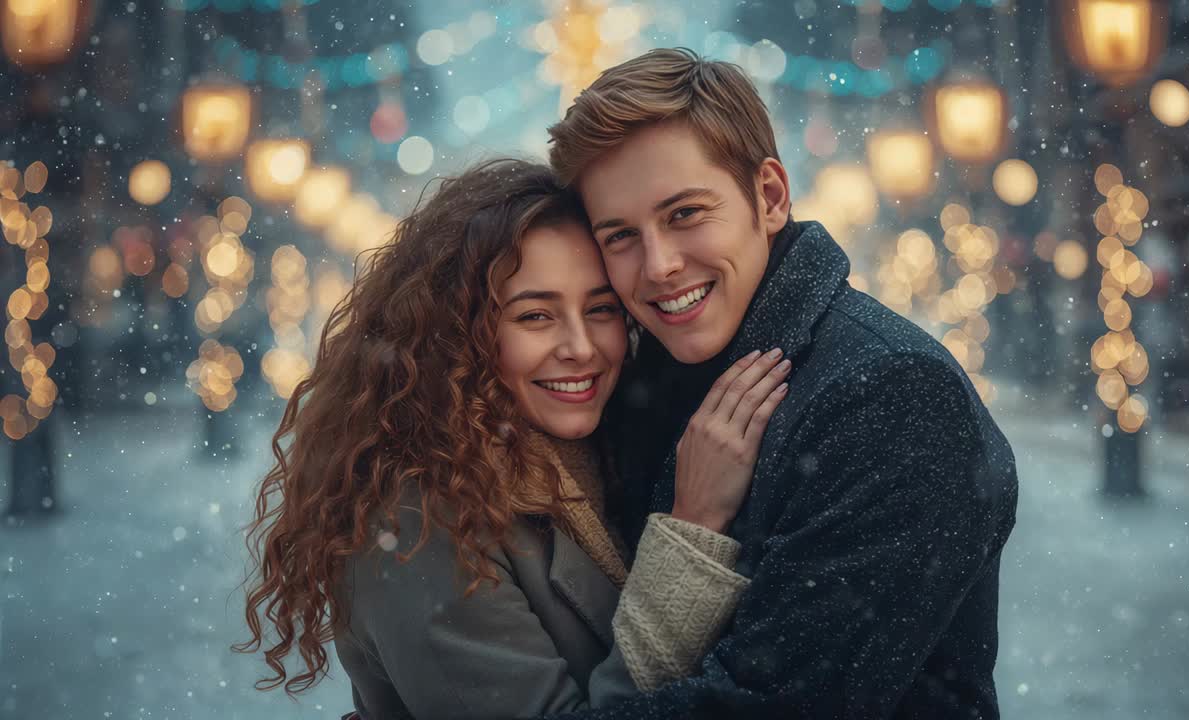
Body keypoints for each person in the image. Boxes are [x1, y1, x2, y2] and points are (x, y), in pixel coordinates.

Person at [541, 48, 1020, 718]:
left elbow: (768, 705)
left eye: (684, 214)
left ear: (768, 196)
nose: (659, 265)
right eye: (620, 237)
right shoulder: (638, 379)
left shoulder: (891, 393)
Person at [235, 159, 792, 718]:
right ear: (458, 334)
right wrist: (693, 530)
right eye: (535, 317)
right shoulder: (417, 518)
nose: (582, 347)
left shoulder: (599, 452)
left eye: (600, 309)